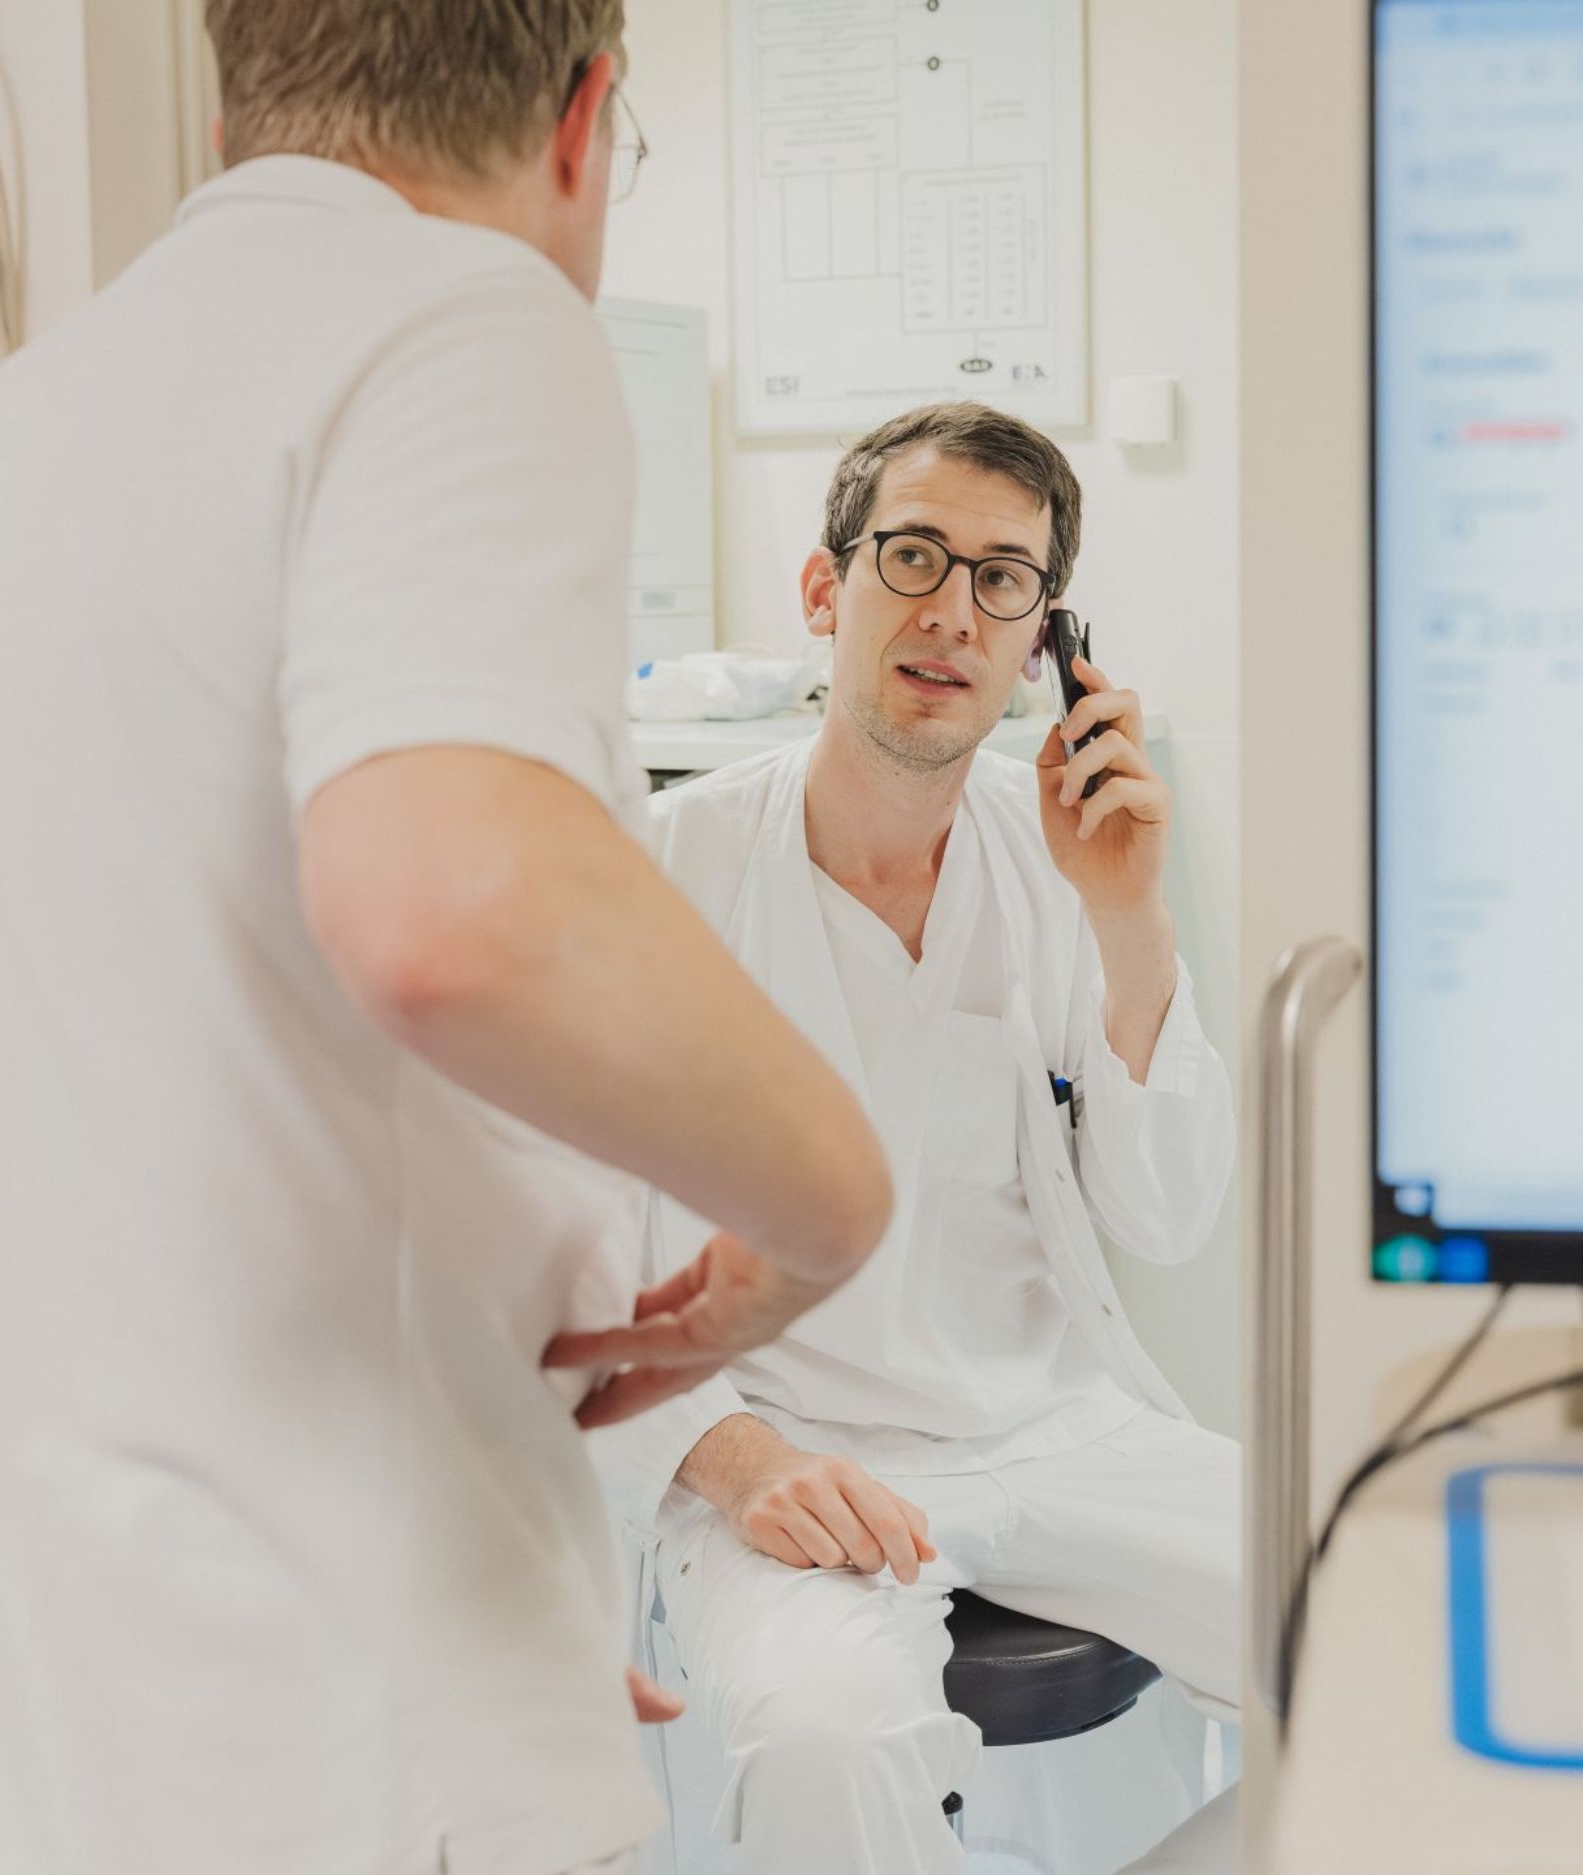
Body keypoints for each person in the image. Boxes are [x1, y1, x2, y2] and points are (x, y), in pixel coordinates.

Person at [0, 5, 891, 1872]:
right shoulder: (463, 313)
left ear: (247, 89)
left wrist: (487, 1605)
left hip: (25, 1720)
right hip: (302, 1726)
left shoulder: (12, 431)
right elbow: (449, 912)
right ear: (583, 123)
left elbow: (181, 1096)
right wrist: (830, 1208)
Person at [555, 404, 1241, 1874]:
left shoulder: (1058, 858)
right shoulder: (665, 872)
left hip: (1055, 1426)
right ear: (827, 590)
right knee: (826, 1745)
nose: (952, 612)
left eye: (1004, 578)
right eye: (914, 556)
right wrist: (734, 1460)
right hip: (794, 1455)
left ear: (1046, 636)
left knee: (1376, 1619)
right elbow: (563, 1245)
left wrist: (1131, 923)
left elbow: (1171, 1213)